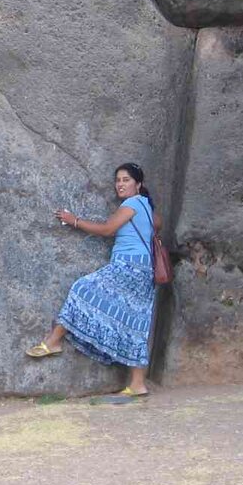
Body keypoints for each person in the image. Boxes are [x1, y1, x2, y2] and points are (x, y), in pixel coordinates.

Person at [25, 163, 163, 399]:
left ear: (138, 184)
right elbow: (157, 224)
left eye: (126, 180)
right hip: (145, 269)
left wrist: (73, 220)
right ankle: (138, 383)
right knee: (136, 321)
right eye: (118, 180)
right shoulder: (147, 208)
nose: (120, 184)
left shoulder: (131, 204)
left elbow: (108, 230)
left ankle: (54, 340)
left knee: (82, 289)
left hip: (128, 266)